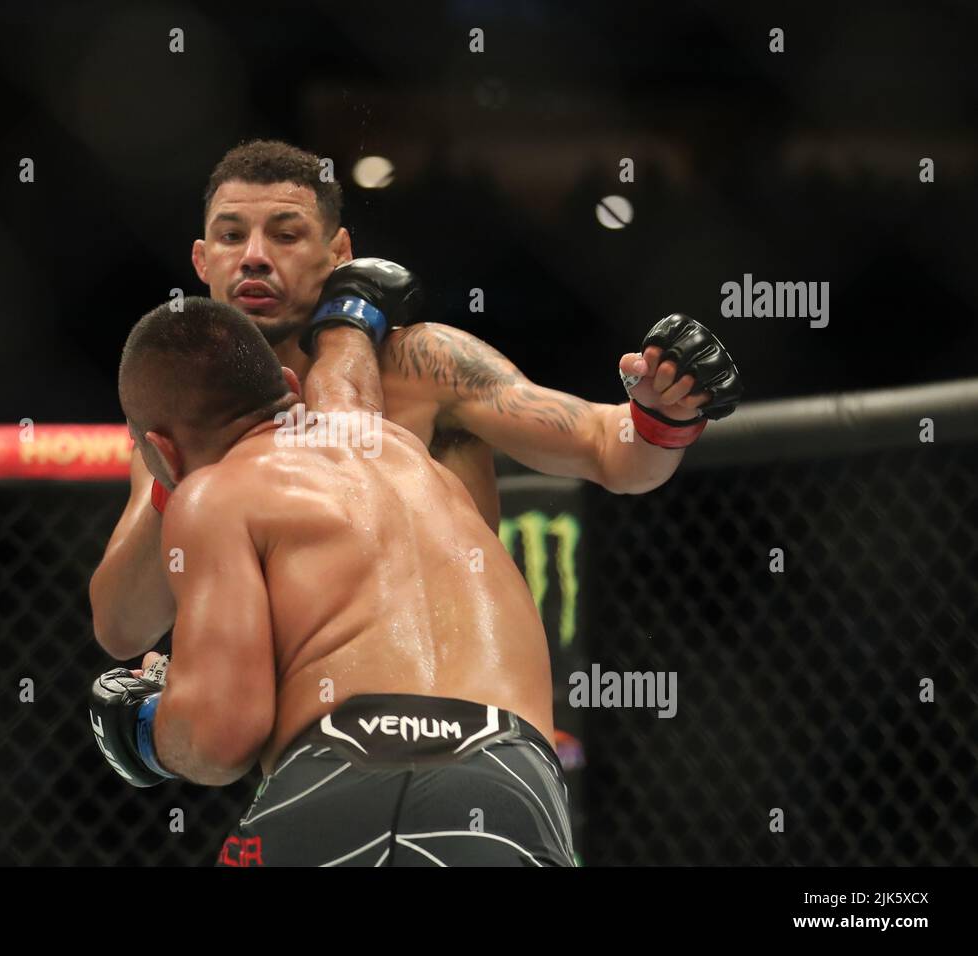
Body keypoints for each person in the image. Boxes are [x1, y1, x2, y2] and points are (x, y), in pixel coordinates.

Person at [89, 139, 742, 662]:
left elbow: (611, 452)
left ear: (339, 253)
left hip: (456, 726)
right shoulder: (186, 409)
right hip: (305, 758)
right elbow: (122, 628)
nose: (255, 257)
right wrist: (177, 484)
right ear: (202, 261)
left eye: (286, 234)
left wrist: (664, 413)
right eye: (232, 237)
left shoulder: (423, 363)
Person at [92, 276, 582, 865]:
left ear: (165, 454)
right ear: (292, 388)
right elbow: (345, 386)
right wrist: (352, 316)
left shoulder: (212, 494)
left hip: (350, 774)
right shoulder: (397, 447)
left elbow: (218, 737)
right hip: (516, 785)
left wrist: (144, 728)